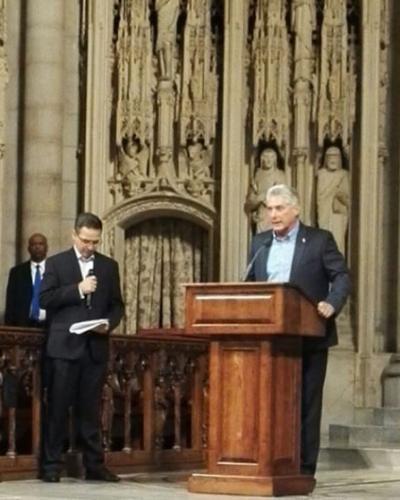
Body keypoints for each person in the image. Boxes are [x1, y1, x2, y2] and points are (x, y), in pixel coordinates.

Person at [246, 184, 350, 477]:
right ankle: (270, 462)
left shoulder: (319, 240)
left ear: (296, 209)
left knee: (306, 404)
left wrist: (331, 303)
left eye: (279, 208)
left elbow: (341, 276)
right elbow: (252, 284)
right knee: (269, 402)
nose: (273, 214)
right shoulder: (260, 243)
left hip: (309, 335)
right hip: (269, 339)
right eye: (269, 208)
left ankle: (303, 470)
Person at [39, 212, 124, 483]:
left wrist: (108, 324)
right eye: (86, 240)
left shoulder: (109, 267)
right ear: (74, 235)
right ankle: (52, 466)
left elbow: (117, 305)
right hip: (64, 347)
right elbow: (44, 299)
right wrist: (78, 288)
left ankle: (95, 466)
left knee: (90, 411)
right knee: (58, 409)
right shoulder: (56, 263)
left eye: (95, 242)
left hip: (94, 347)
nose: (90, 246)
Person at [5, 233, 48, 327]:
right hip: (23, 325)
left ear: (46, 248)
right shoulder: (17, 272)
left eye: (41, 244)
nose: (37, 247)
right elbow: (10, 303)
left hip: (49, 326)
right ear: (28, 248)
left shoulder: (54, 270)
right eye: (33, 244)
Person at [317, 145, 350, 254]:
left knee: (337, 241)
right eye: (330, 156)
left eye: (335, 156)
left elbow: (347, 196)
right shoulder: (321, 174)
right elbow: (320, 195)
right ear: (325, 158)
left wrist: (339, 193)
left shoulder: (343, 174)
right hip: (324, 212)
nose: (332, 159)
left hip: (338, 215)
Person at [245, 147, 286, 233]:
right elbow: (251, 198)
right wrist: (256, 201)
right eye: (266, 157)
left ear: (275, 159)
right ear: (261, 159)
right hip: (261, 215)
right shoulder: (258, 175)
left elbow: (282, 196)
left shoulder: (280, 175)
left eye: (271, 157)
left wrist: (265, 196)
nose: (268, 160)